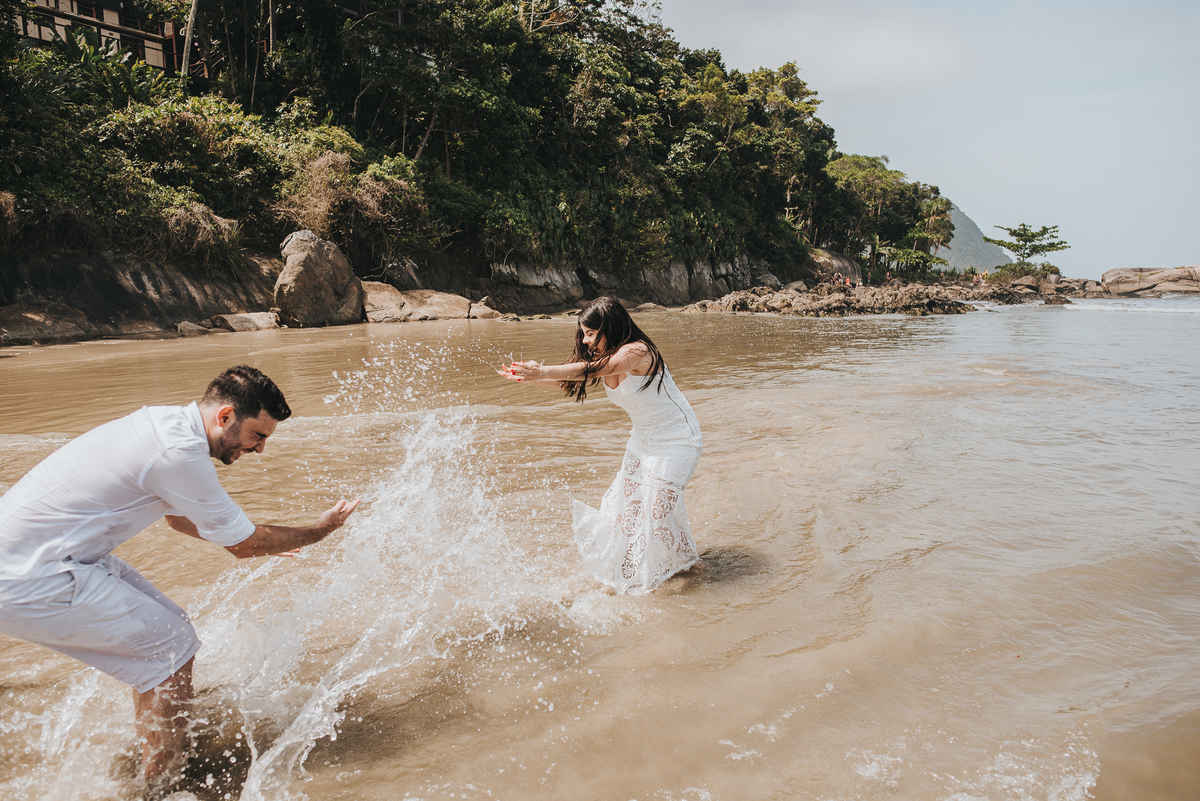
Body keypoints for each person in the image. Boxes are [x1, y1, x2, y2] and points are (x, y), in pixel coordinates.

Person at [0, 365, 360, 798]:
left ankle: (154, 756)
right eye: (257, 435)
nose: (260, 449)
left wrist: (251, 541)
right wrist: (318, 531)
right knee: (170, 648)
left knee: (172, 634)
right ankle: (159, 788)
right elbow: (242, 544)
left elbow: (179, 518)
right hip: (30, 574)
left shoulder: (162, 424)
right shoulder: (179, 452)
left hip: (48, 560)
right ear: (225, 416)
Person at [499, 297, 703, 594]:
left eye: (591, 333)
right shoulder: (602, 359)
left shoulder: (637, 351)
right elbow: (569, 382)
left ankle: (688, 566)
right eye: (583, 333)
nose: (586, 340)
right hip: (643, 441)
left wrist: (541, 370)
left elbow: (593, 371)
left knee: (658, 509)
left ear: (611, 327)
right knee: (629, 511)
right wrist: (526, 378)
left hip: (678, 439)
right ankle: (679, 563)